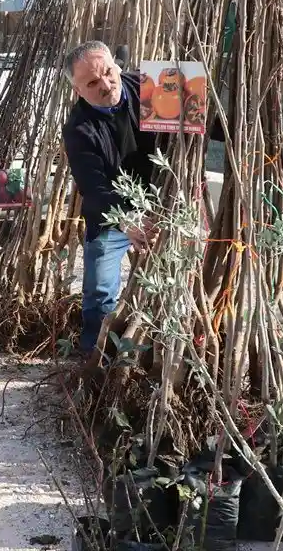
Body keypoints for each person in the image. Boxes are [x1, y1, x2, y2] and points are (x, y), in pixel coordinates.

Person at [61, 40, 158, 355]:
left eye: (107, 72)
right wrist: (127, 220)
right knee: (99, 295)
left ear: (117, 65)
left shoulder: (155, 86)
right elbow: (94, 188)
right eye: (91, 82)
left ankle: (155, 356)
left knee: (167, 290)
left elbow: (209, 124)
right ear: (78, 91)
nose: (105, 84)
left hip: (164, 204)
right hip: (113, 215)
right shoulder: (79, 128)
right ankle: (94, 362)